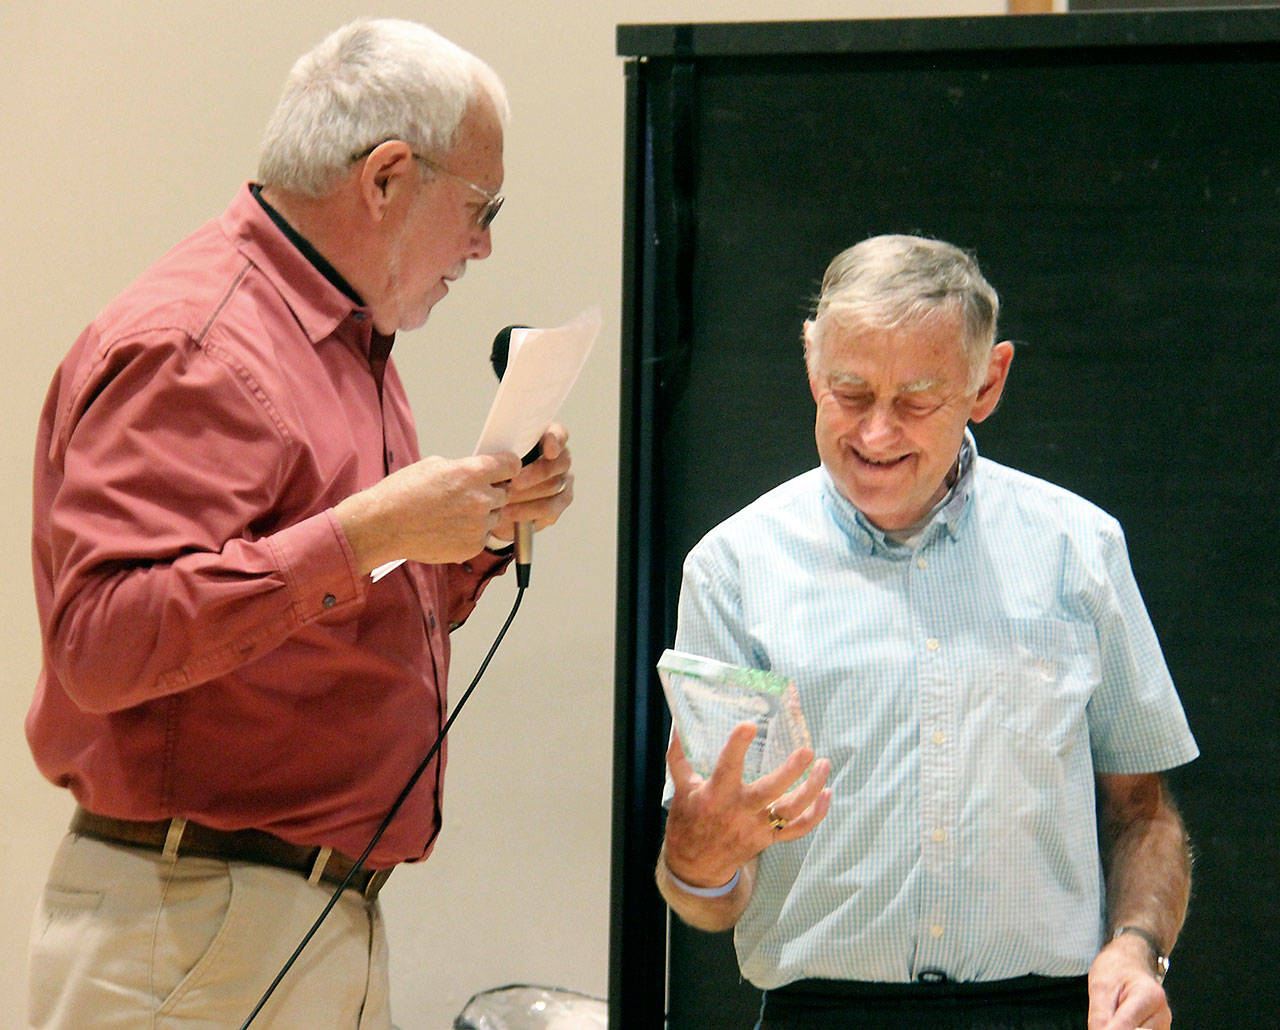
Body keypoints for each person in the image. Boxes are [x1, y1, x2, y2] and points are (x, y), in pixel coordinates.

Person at [26, 19, 573, 1028]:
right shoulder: (199, 343)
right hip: (192, 921)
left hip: (294, 915)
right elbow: (101, 641)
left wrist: (479, 530)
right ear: (385, 178)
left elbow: (322, 610)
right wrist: (369, 531)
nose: (483, 242)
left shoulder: (337, 339)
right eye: (478, 206)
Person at [657, 235, 1197, 1030]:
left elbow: (1142, 812)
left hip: (1044, 1011)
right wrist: (694, 863)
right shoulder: (734, 569)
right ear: (811, 362)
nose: (876, 435)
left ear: (988, 381)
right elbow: (711, 894)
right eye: (848, 392)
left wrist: (1137, 947)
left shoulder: (1078, 549)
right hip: (824, 1012)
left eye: (916, 401)